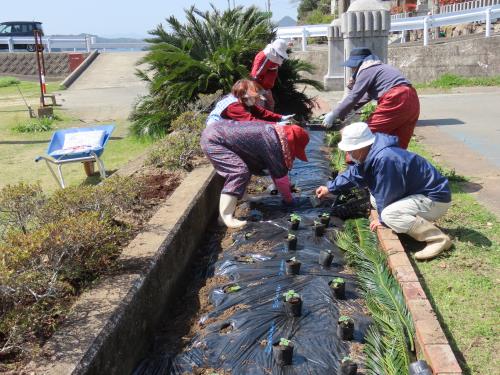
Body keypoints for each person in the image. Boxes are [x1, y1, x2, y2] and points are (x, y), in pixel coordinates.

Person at [316, 122, 452, 260]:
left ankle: (437, 239)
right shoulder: (372, 151)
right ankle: (409, 223)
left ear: (362, 146)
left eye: (350, 150)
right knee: (375, 200)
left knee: (389, 215)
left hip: (434, 199)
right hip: (417, 193)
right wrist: (330, 187)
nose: (348, 153)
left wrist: (382, 219)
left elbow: (389, 192)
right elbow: (355, 174)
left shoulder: (385, 158)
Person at [201, 121, 309, 228]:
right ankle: (225, 217)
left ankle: (244, 197)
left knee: (245, 167)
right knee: (239, 171)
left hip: (218, 132)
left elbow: (275, 170)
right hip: (214, 140)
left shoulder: (276, 134)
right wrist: (289, 200)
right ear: (292, 143)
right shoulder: (274, 142)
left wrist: (285, 186)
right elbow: (280, 176)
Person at [323, 48, 420, 150]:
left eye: (353, 67)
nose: (352, 70)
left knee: (363, 136)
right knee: (398, 142)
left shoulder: (367, 69)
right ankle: (395, 164)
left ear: (359, 63)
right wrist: (345, 112)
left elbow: (354, 96)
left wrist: (334, 114)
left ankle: (355, 164)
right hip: (412, 98)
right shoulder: (380, 68)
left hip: (396, 98)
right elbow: (364, 97)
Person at [206, 79, 293, 126]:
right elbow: (251, 122)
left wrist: (281, 117)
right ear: (247, 96)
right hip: (215, 132)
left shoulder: (243, 101)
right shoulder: (234, 106)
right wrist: (276, 124)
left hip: (224, 128)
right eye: (256, 97)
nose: (257, 100)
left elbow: (262, 112)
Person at [250, 39, 289, 111]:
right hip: (258, 86)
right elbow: (254, 76)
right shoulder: (264, 57)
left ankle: (269, 120)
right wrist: (260, 91)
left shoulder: (274, 58)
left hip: (265, 87)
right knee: (261, 105)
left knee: (270, 104)